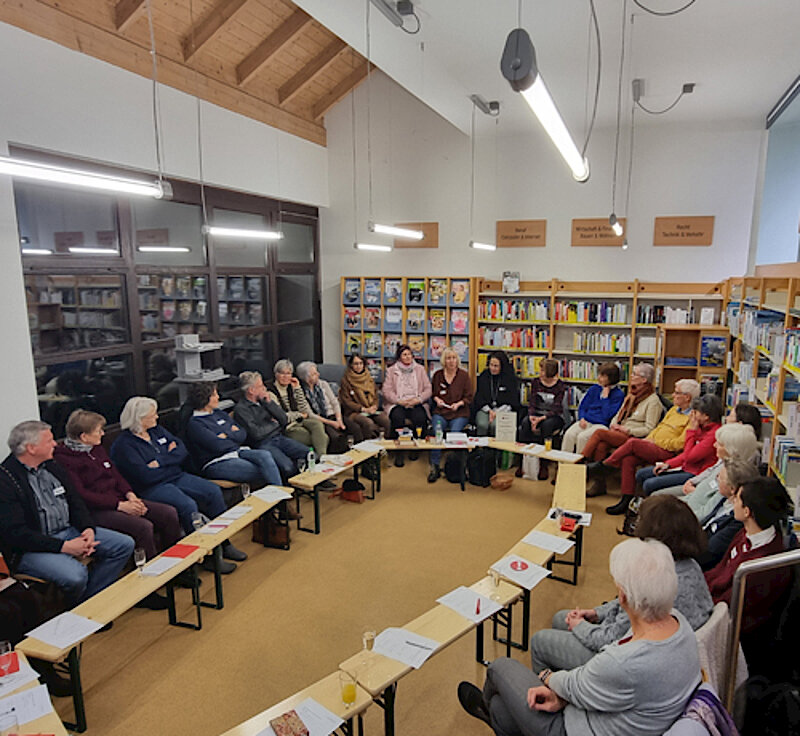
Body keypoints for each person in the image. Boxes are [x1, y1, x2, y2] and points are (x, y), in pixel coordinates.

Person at [457, 538, 701, 736]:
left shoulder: (622, 663)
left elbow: (574, 685)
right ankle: (497, 714)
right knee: (505, 710)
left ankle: (487, 709)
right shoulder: (680, 625)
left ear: (623, 597)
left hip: (572, 727)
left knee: (499, 668)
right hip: (615, 715)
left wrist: (546, 677)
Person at [528, 495, 713, 676]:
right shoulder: (689, 566)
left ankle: (559, 692)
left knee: (540, 641)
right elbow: (625, 606)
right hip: (661, 650)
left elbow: (610, 638)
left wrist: (579, 626)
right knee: (561, 618)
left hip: (626, 660)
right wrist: (596, 613)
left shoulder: (652, 578)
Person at [54, 410, 182, 609]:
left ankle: (174, 570)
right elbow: (82, 495)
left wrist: (130, 494)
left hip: (121, 500)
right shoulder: (65, 459)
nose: (103, 434)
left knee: (168, 513)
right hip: (96, 510)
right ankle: (147, 587)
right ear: (84, 437)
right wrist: (120, 505)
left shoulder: (96, 448)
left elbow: (116, 474)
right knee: (142, 527)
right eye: (98, 431)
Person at [0, 420, 134, 606]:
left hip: (68, 531)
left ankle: (89, 602)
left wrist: (87, 528)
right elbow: (15, 534)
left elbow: (76, 502)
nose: (55, 444)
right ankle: (78, 609)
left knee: (123, 545)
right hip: (31, 548)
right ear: (31, 448)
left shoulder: (52, 466)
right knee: (76, 576)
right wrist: (64, 547)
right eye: (49, 441)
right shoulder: (6, 480)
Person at [110, 396, 245, 574]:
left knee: (212, 491)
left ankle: (223, 543)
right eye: (152, 415)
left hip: (176, 475)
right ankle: (204, 555)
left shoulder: (157, 431)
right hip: (152, 487)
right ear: (139, 419)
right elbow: (144, 475)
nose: (157, 417)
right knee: (187, 505)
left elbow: (181, 451)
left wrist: (160, 462)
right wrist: (169, 459)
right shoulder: (124, 445)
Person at [586, 378, 700, 511]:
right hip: (652, 445)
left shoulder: (692, 417)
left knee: (632, 442)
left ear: (687, 397)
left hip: (667, 452)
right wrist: (648, 440)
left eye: (676, 393)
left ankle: (605, 465)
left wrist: (655, 442)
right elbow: (658, 428)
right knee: (629, 459)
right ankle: (626, 499)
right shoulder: (674, 410)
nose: (673, 395)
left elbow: (680, 444)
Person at [704, 476, 792, 635]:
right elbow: (720, 569)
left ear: (747, 511)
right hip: (712, 599)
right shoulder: (745, 533)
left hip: (727, 626)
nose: (732, 502)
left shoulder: (760, 567)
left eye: (736, 499)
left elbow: (729, 607)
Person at [655, 403, 762, 508]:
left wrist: (691, 431)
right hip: (699, 483)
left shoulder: (743, 457)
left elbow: (689, 457)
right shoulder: (723, 442)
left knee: (655, 494)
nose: (726, 418)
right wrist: (693, 481)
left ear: (739, 423)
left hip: (700, 486)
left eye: (730, 415)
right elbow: (712, 470)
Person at [579, 364, 663, 488]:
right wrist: (614, 425)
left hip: (633, 437)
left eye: (634, 374)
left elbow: (649, 428)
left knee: (599, 433)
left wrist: (627, 429)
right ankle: (599, 483)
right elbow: (617, 415)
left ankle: (582, 463)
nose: (631, 376)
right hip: (619, 431)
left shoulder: (653, 401)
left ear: (644, 380)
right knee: (602, 445)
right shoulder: (632, 395)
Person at [634, 393, 723, 498]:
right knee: (641, 474)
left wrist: (691, 431)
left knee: (650, 484)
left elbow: (690, 457)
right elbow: (686, 454)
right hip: (685, 467)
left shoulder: (713, 434)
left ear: (706, 416)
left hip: (696, 474)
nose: (692, 415)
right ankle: (638, 505)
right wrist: (668, 464)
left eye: (695, 412)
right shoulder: (701, 427)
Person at [233, 371, 309, 480]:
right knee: (287, 467)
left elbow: (283, 419)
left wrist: (269, 403)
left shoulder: (264, 401)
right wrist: (274, 424)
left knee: (308, 454)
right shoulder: (241, 409)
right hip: (262, 444)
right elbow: (257, 434)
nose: (264, 388)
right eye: (260, 386)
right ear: (251, 390)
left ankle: (310, 483)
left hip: (278, 438)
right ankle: (292, 489)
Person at [696, 457, 760, 571]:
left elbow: (711, 552)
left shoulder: (738, 519)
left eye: (720, 478)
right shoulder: (724, 498)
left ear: (732, 488)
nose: (716, 479)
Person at [428, 347, 474, 482]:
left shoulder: (464, 376)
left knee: (455, 433)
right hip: (441, 412)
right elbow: (434, 394)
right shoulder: (437, 375)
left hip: (459, 412)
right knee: (437, 432)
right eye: (448, 358)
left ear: (457, 360)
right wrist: (437, 400)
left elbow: (469, 397)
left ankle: (456, 467)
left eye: (454, 358)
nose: (451, 361)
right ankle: (435, 466)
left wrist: (459, 404)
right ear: (444, 361)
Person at [382, 344, 432, 467]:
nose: (408, 357)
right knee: (397, 418)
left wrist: (418, 399)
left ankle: (415, 447)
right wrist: (398, 401)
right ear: (399, 357)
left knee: (420, 417)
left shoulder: (419, 369)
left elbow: (428, 389)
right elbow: (386, 390)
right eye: (404, 354)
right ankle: (399, 451)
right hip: (398, 403)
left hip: (415, 402)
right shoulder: (392, 370)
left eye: (409, 354)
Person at [517, 359, 567, 481]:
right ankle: (523, 463)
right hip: (537, 414)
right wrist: (531, 416)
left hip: (553, 416)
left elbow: (556, 407)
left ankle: (543, 464)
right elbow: (532, 402)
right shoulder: (536, 382)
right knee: (525, 424)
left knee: (546, 426)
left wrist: (541, 419)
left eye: (542, 369)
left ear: (549, 372)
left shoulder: (560, 386)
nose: (540, 372)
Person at [267, 359, 328, 456]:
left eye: (288, 373)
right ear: (276, 374)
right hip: (287, 427)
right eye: (282, 373)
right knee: (323, 438)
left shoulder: (292, 386)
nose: (285, 377)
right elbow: (281, 416)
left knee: (317, 424)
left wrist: (297, 388)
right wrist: (299, 415)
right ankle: (322, 458)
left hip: (300, 421)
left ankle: (322, 458)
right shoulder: (271, 391)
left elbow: (304, 408)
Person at [560, 362, 624, 453]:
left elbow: (607, 416)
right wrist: (581, 418)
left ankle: (579, 464)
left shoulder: (618, 395)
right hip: (586, 421)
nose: (599, 378)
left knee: (582, 437)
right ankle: (563, 463)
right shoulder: (594, 389)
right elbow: (582, 406)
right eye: (599, 374)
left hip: (602, 425)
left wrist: (605, 398)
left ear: (611, 378)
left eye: (602, 376)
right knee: (569, 434)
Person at [297, 361, 350, 454]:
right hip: (320, 419)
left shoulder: (323, 384)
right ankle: (335, 463)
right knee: (336, 437)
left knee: (354, 428)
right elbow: (310, 414)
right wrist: (333, 423)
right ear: (307, 378)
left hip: (333, 415)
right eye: (314, 374)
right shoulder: (301, 391)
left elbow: (335, 402)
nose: (318, 374)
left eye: (316, 372)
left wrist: (339, 420)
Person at [338, 353, 392, 443]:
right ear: (351, 365)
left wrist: (374, 406)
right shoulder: (346, 380)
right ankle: (369, 448)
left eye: (360, 363)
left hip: (371, 409)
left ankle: (386, 446)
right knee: (368, 423)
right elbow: (346, 401)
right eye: (356, 364)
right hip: (355, 412)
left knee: (386, 421)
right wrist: (363, 409)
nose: (358, 366)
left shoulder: (368, 378)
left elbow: (375, 394)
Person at [472, 351, 521, 437]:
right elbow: (479, 397)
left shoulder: (510, 378)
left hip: (504, 410)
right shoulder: (484, 376)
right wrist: (490, 411)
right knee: (482, 424)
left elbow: (512, 401)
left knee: (495, 425)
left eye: (496, 366)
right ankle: (481, 449)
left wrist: (497, 412)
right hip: (485, 409)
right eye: (491, 365)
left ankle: (496, 449)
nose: (493, 368)